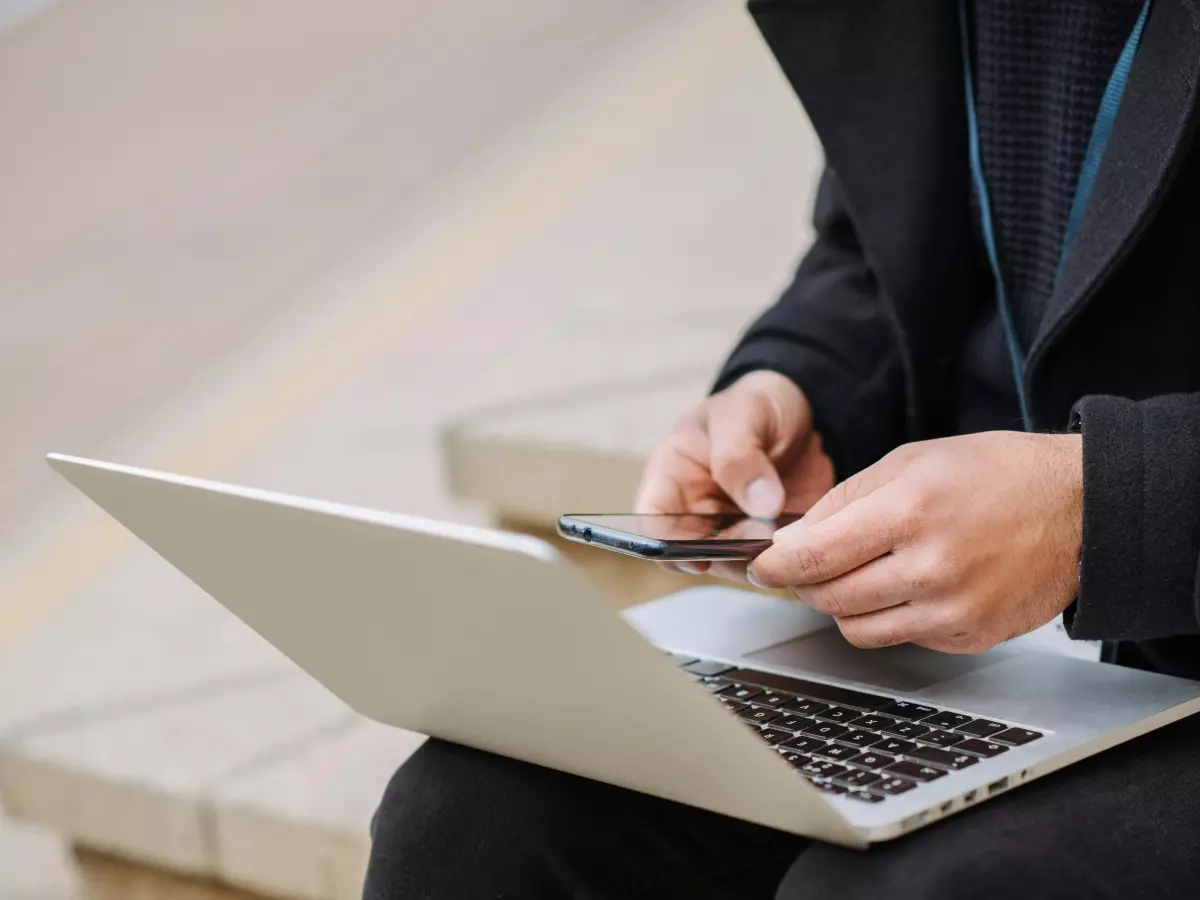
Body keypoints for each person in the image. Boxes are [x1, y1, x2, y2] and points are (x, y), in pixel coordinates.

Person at [364, 1, 1200, 897]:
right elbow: (889, 231)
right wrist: (807, 383)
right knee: (469, 815)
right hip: (976, 647)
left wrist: (1107, 504)